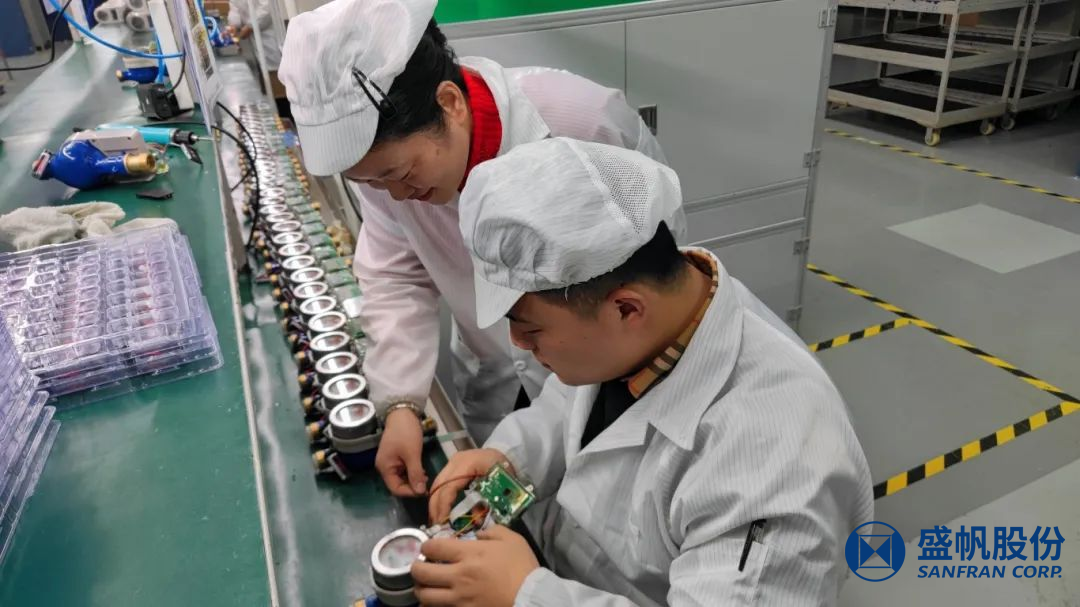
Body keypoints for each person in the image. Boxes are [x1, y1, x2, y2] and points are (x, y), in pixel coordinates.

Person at [414, 137, 874, 606]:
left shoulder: (776, 466)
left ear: (627, 309)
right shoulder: (648, 309)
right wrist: (511, 458)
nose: (517, 343)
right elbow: (570, 406)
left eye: (530, 329)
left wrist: (529, 595)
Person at [278, 0, 686, 498]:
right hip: (494, 376)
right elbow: (396, 275)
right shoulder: (386, 173)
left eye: (401, 174)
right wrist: (401, 402)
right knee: (506, 492)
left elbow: (660, 265)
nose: (397, 197)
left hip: (604, 373)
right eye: (374, 184)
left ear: (449, 102)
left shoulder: (582, 120)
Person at [225, 0, 288, 116]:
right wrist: (233, 25)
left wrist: (249, 27)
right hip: (255, 40)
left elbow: (267, 8)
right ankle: (278, 117)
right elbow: (235, 7)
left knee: (280, 86)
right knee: (267, 85)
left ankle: (287, 117)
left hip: (270, 35)